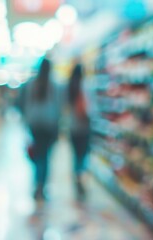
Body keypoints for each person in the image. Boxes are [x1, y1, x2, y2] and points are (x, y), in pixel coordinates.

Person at [19, 57, 63, 200]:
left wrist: (27, 122)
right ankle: (42, 186)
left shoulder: (32, 84)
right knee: (46, 157)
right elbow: (58, 107)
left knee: (38, 156)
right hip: (49, 125)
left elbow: (27, 104)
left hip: (35, 125)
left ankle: (37, 184)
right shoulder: (54, 85)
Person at [68, 62, 90, 201]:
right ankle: (81, 177)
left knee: (76, 155)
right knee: (83, 155)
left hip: (72, 126)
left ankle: (76, 176)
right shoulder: (85, 87)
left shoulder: (69, 87)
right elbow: (89, 108)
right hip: (84, 126)